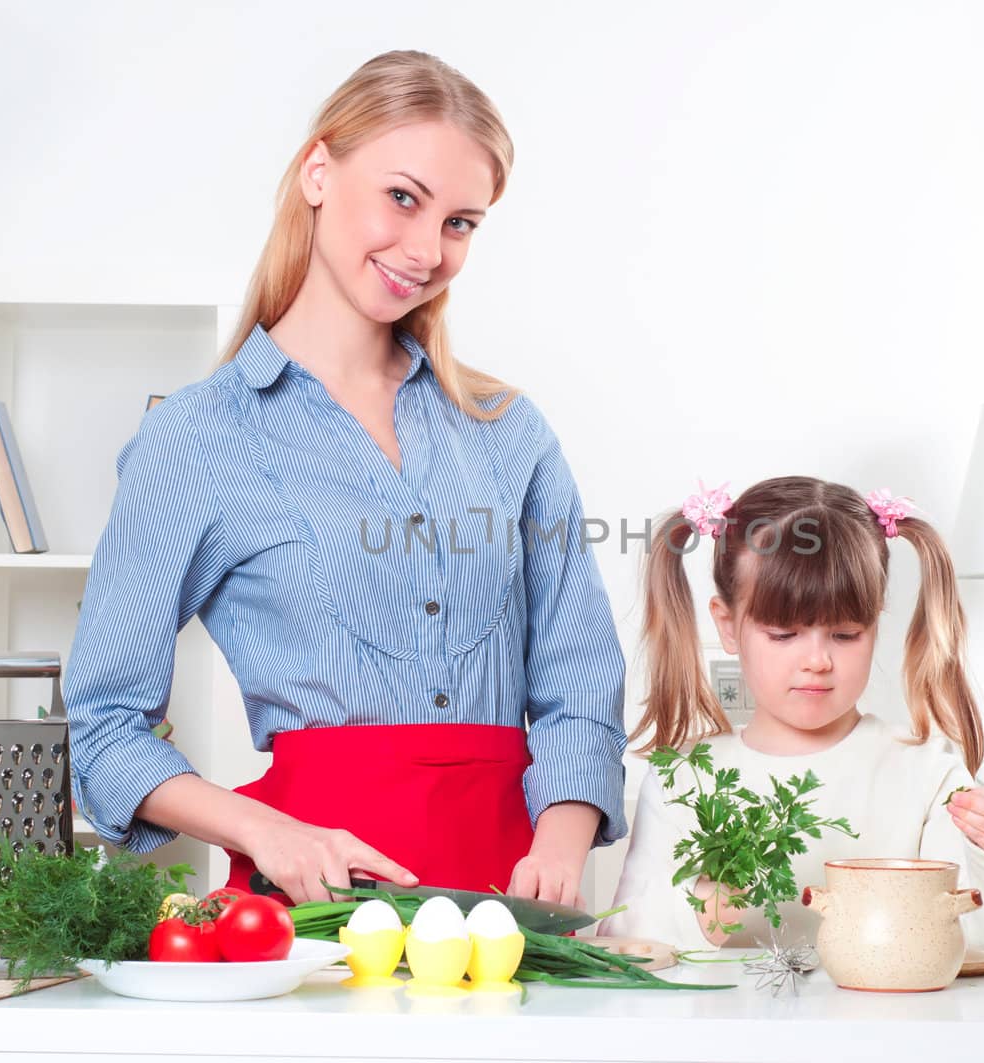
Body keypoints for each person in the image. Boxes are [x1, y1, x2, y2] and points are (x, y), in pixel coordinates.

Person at [64, 50, 626, 908]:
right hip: (315, 911)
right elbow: (103, 726)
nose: (426, 249)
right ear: (317, 171)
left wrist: (562, 845)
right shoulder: (195, 440)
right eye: (403, 198)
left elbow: (579, 676)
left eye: (460, 223)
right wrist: (262, 829)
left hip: (517, 909)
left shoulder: (510, 432)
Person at [600, 477, 984, 950]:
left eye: (846, 635)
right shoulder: (683, 779)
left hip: (888, 1022)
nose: (817, 661)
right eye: (784, 635)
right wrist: (706, 907)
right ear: (728, 626)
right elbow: (628, 939)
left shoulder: (927, 774)